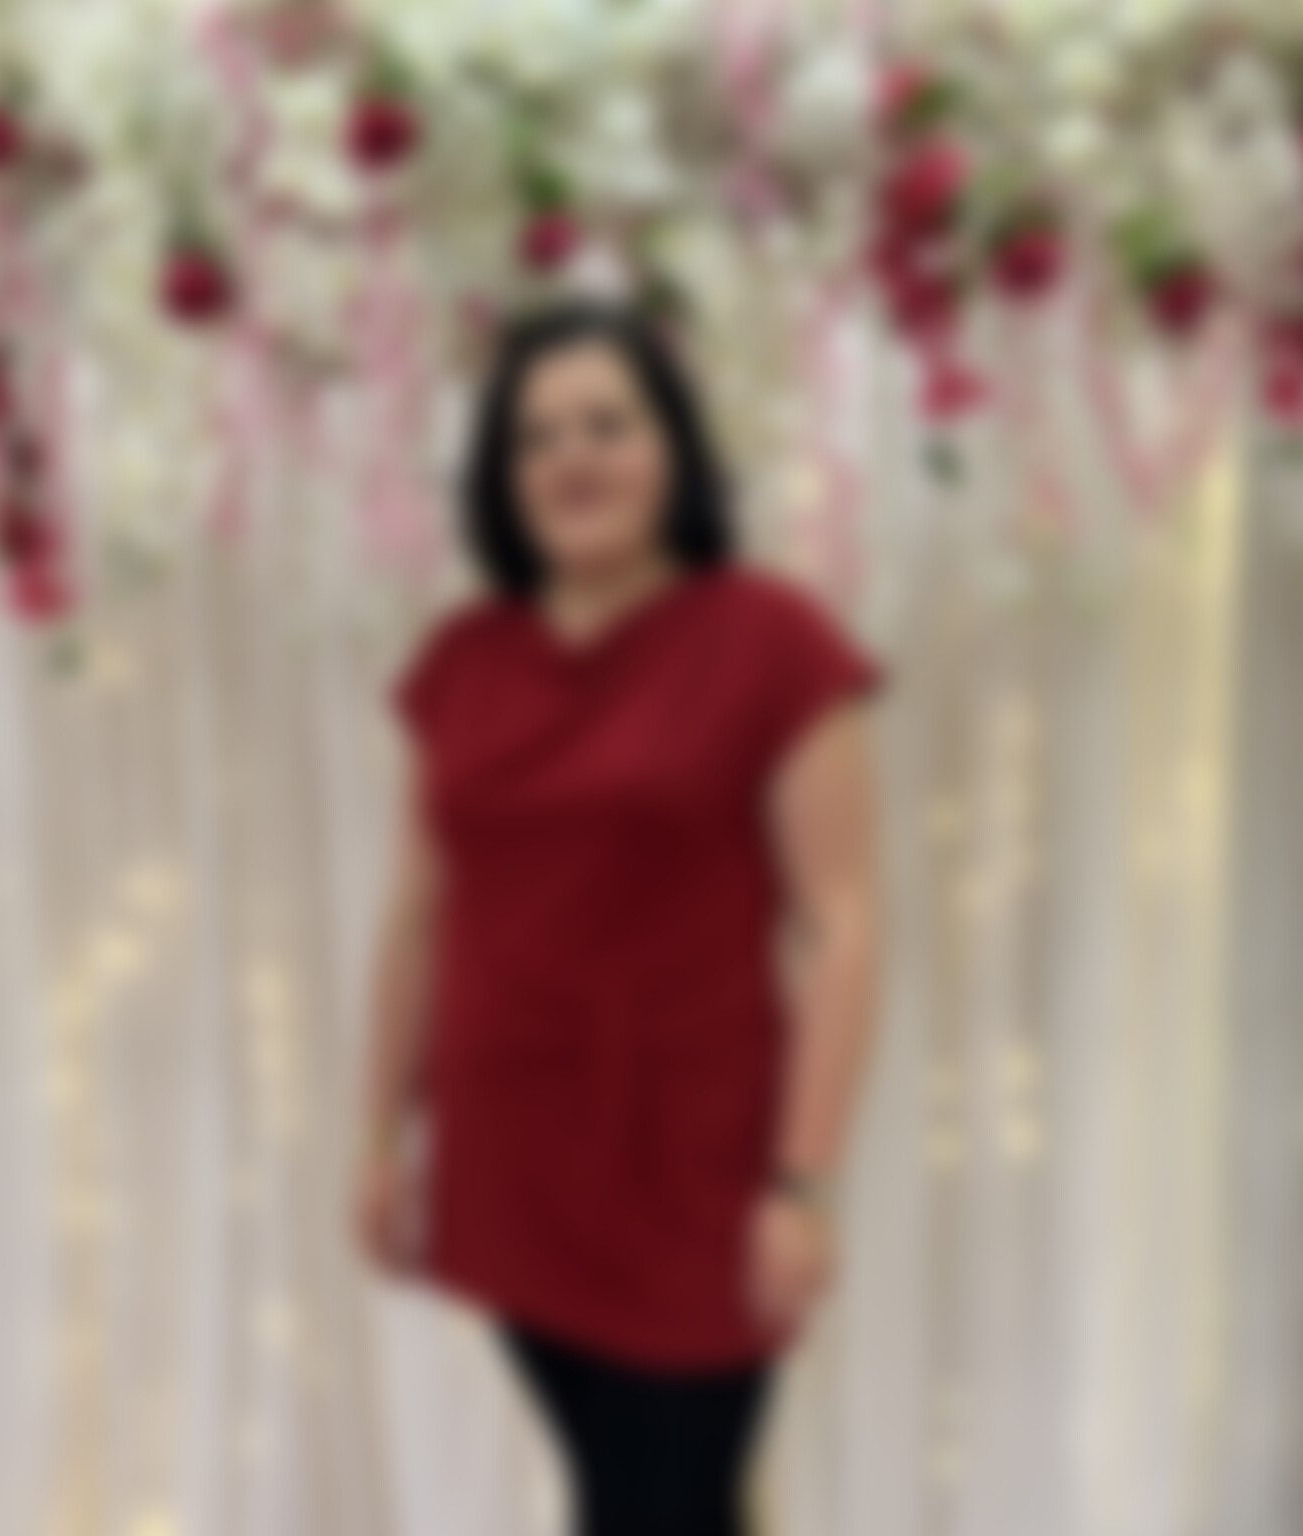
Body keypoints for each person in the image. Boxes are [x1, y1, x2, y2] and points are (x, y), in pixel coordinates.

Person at [351, 295, 888, 1536]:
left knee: (658, 1502)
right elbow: (416, 918)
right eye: (536, 438)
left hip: (695, 1175)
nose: (572, 459)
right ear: (502, 478)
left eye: (606, 425)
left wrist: (805, 1181)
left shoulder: (771, 639)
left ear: (674, 449)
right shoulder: (462, 661)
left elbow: (843, 925)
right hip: (515, 1164)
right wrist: (381, 1135)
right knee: (645, 1498)